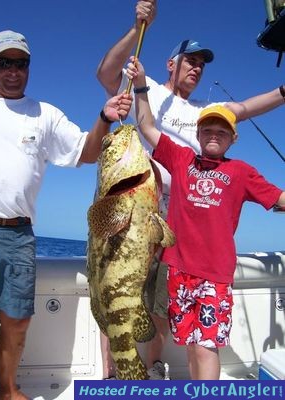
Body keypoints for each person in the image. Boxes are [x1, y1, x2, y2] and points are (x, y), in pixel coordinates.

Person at [96, 0, 285, 380]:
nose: (196, 68)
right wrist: (137, 28)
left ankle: (148, 368)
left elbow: (246, 107)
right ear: (171, 63)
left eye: (202, 63)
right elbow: (108, 73)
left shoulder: (207, 111)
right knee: (116, 285)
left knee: (160, 302)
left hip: (182, 216)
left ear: (227, 137)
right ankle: (111, 374)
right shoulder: (144, 86)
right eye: (190, 60)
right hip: (133, 205)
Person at [0, 30, 132, 400]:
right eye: (4, 62)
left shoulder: (44, 114)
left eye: (20, 63)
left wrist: (105, 116)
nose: (13, 70)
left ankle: (7, 390)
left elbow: (87, 152)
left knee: (17, 321)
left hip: (17, 234)